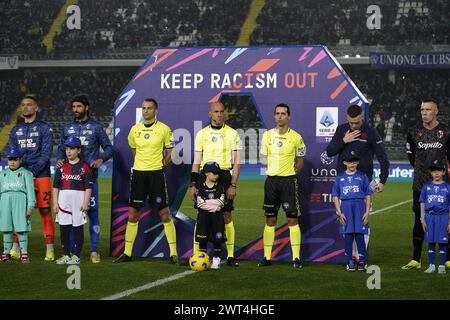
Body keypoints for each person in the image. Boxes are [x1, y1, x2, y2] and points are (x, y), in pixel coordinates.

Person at [113, 98, 177, 263]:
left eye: (149, 108)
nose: (146, 111)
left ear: (156, 111)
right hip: (139, 176)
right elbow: (135, 152)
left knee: (164, 213)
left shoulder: (164, 129)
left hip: (156, 175)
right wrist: (141, 166)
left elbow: (170, 153)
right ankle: (127, 253)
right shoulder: (134, 130)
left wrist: (160, 166)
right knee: (133, 214)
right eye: (144, 108)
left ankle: (173, 253)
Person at [326, 104, 390, 261]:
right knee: (346, 223)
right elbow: (329, 152)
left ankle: (361, 257)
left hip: (364, 185)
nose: (353, 125)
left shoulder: (371, 132)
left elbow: (383, 157)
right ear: (347, 118)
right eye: (351, 122)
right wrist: (344, 140)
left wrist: (382, 180)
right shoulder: (342, 130)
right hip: (344, 186)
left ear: (362, 116)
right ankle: (351, 256)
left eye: (356, 122)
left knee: (363, 221)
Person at [56, 94, 113, 264]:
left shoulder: (96, 127)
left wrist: (101, 159)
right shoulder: (67, 128)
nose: (75, 110)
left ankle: (94, 251)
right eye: (73, 107)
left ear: (86, 107)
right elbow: (60, 149)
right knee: (72, 217)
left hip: (89, 180)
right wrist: (60, 158)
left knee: (93, 215)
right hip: (70, 182)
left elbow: (109, 148)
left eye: (79, 107)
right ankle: (73, 252)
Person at [190, 101, 242, 267]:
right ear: (210, 113)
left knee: (226, 216)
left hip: (225, 176)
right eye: (216, 111)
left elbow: (237, 162)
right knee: (202, 215)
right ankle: (197, 255)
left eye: (221, 111)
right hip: (204, 177)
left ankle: (231, 256)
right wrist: (193, 183)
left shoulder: (233, 134)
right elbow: (197, 161)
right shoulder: (202, 134)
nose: (219, 114)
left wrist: (233, 185)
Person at [402, 99, 450, 270]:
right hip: (420, 184)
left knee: (446, 219)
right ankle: (416, 259)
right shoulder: (414, 132)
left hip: (444, 185)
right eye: (422, 109)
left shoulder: (446, 131)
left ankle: (447, 259)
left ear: (436, 111)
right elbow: (411, 157)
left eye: (428, 109)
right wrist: (422, 172)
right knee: (419, 219)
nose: (424, 112)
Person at [258, 103, 306, 268]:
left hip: (288, 182)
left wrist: (292, 174)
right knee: (270, 219)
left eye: (283, 113)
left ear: (289, 116)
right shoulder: (267, 136)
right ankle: (267, 258)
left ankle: (296, 258)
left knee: (292, 219)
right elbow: (263, 158)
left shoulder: (296, 137)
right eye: (277, 113)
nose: (280, 116)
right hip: (271, 182)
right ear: (274, 116)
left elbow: (300, 160)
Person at [8, 95, 55, 261]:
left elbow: (46, 153)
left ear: (36, 108)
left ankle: (49, 249)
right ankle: (15, 248)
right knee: (20, 212)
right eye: (23, 105)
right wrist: (23, 172)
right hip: (21, 175)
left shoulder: (45, 128)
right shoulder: (15, 130)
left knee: (44, 210)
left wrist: (32, 172)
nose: (25, 108)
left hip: (41, 174)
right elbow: (13, 153)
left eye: (29, 105)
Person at [53, 137, 93, 265]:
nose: (69, 151)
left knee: (77, 227)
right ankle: (66, 255)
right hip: (63, 200)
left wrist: (86, 203)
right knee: (64, 228)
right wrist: (55, 203)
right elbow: (55, 186)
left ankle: (76, 255)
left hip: (79, 200)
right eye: (67, 149)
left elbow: (88, 187)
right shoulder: (61, 166)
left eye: (72, 148)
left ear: (79, 150)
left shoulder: (85, 167)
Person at [332, 150, 372, 272]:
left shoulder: (362, 176)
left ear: (357, 163)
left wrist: (367, 212)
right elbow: (335, 197)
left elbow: (368, 195)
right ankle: (350, 261)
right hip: (346, 207)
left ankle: (362, 261)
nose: (352, 164)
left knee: (360, 234)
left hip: (359, 206)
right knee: (348, 234)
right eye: (349, 162)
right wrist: (339, 212)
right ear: (344, 163)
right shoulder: (340, 178)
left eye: (354, 162)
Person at [0, 149, 36, 263]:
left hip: (20, 200)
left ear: (20, 160)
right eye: (10, 159)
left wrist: (30, 206)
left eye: (15, 159)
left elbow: (30, 191)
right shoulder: (2, 173)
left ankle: (24, 253)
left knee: (22, 228)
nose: (12, 162)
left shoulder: (26, 173)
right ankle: (6, 253)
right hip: (5, 201)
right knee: (6, 228)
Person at [420, 159, 450, 274]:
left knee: (442, 242)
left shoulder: (447, 187)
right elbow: (422, 202)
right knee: (431, 241)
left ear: (443, 172)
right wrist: (422, 219)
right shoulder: (426, 186)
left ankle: (441, 266)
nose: (436, 173)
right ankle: (432, 266)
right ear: (430, 173)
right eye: (433, 171)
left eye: (439, 170)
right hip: (429, 217)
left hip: (443, 217)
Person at [194, 161, 226, 270]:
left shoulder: (220, 187)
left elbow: (221, 203)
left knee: (217, 239)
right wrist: (214, 204)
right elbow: (200, 203)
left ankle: (216, 259)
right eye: (214, 173)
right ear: (207, 173)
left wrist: (208, 203)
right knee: (202, 239)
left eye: (218, 173)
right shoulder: (201, 187)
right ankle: (203, 259)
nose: (217, 175)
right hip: (203, 217)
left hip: (217, 218)